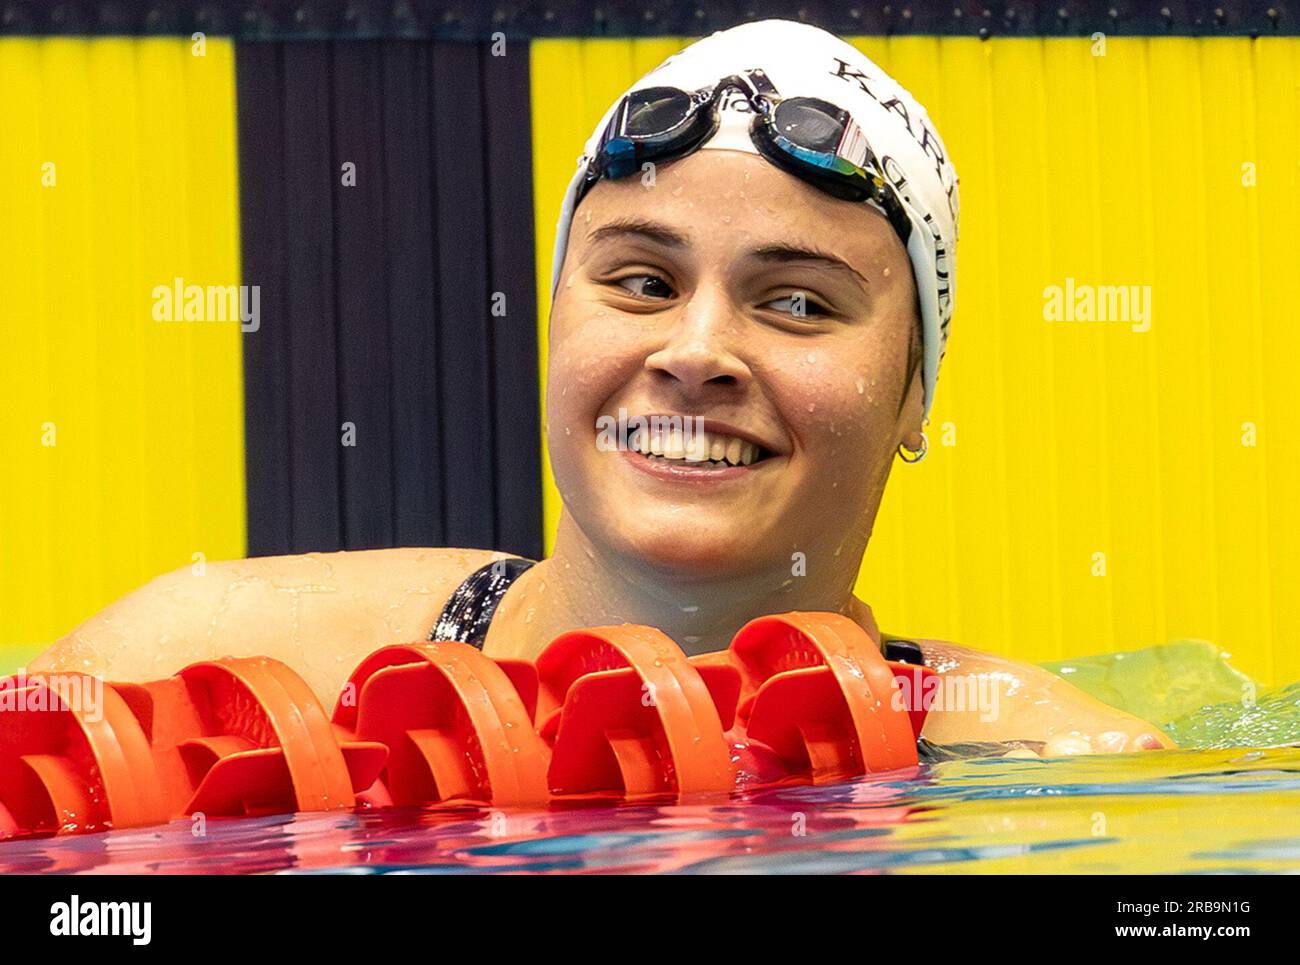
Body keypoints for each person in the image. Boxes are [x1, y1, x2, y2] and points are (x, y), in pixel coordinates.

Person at [30, 20, 1171, 755]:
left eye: (798, 302)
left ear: (915, 390)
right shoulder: (194, 659)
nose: (696, 348)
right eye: (640, 279)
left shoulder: (1045, 762)